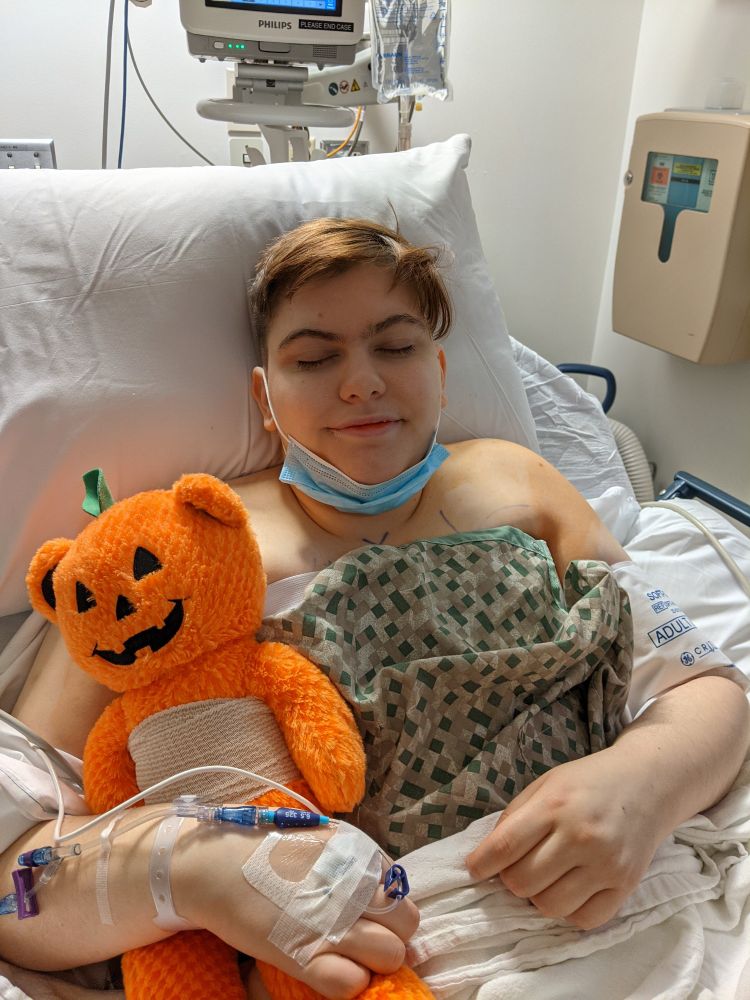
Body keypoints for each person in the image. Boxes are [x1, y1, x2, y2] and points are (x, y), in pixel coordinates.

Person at [2, 217, 748, 998]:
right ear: (264, 396)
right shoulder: (177, 546)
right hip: (384, 951)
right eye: (315, 357)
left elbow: (701, 682)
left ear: (442, 371)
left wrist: (640, 785)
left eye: (396, 346)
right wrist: (185, 870)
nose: (361, 382)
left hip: (622, 895)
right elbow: (19, 866)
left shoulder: (518, 481)